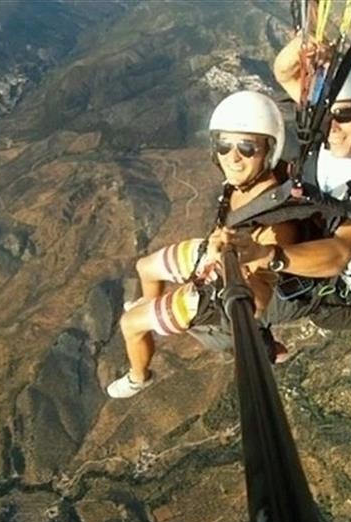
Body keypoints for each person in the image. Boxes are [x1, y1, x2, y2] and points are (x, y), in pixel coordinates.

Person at [223, 35, 351, 333]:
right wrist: (307, 42)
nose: (331, 125)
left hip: (332, 289)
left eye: (344, 113)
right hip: (311, 230)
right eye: (325, 113)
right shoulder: (336, 133)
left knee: (220, 326)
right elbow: (284, 72)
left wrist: (269, 256)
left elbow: (339, 252)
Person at [106, 90, 297, 399]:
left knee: (129, 323)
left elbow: (260, 298)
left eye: (247, 147)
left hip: (214, 294)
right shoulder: (245, 183)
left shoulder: (276, 222)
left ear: (268, 150)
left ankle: (138, 376)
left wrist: (238, 275)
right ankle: (149, 311)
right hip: (215, 255)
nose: (233, 157)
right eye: (225, 145)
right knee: (146, 267)